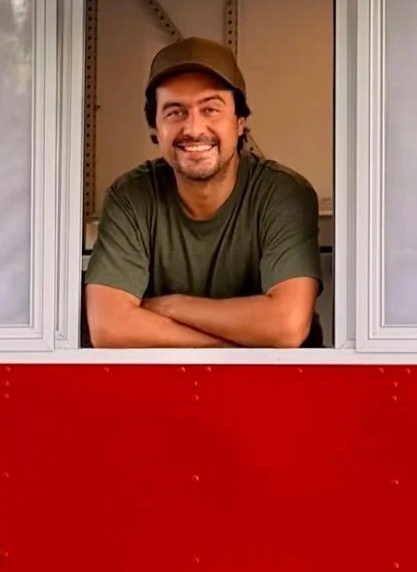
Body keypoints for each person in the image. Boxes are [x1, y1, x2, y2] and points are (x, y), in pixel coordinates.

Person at [84, 37, 322, 348]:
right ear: (155, 128)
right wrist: (238, 345)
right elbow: (109, 328)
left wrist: (169, 306)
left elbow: (287, 325)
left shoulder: (282, 193)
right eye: (174, 112)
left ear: (239, 122)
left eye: (210, 109)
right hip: (166, 386)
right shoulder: (131, 196)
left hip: (274, 387)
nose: (194, 128)